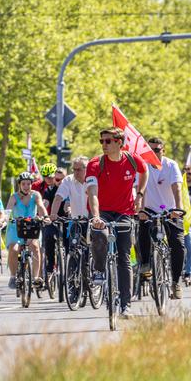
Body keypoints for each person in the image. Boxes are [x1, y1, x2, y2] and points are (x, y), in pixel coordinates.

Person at [85, 127, 148, 319]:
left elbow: (144, 172)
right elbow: (92, 193)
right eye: (101, 141)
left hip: (125, 212)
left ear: (119, 142)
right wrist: (96, 217)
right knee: (100, 236)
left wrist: (139, 195)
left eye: (108, 141)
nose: (104, 144)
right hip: (102, 211)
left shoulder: (132, 159)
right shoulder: (95, 164)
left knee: (124, 258)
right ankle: (98, 270)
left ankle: (125, 306)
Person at [138, 137, 185, 298]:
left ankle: (176, 282)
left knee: (178, 245)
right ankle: (145, 264)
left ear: (163, 151)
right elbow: (140, 189)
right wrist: (141, 210)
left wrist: (178, 209)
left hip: (170, 210)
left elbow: (177, 188)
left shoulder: (171, 165)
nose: (153, 153)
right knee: (143, 231)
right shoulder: (142, 167)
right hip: (150, 209)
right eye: (150, 150)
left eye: (157, 150)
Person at [5, 172, 49, 289]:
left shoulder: (36, 195)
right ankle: (13, 276)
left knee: (35, 246)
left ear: (31, 184)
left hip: (32, 226)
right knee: (14, 249)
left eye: (28, 184)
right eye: (23, 184)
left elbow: (41, 206)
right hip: (16, 227)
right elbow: (8, 210)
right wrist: (4, 219)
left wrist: (45, 217)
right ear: (19, 184)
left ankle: (35, 278)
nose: (26, 186)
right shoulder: (14, 197)